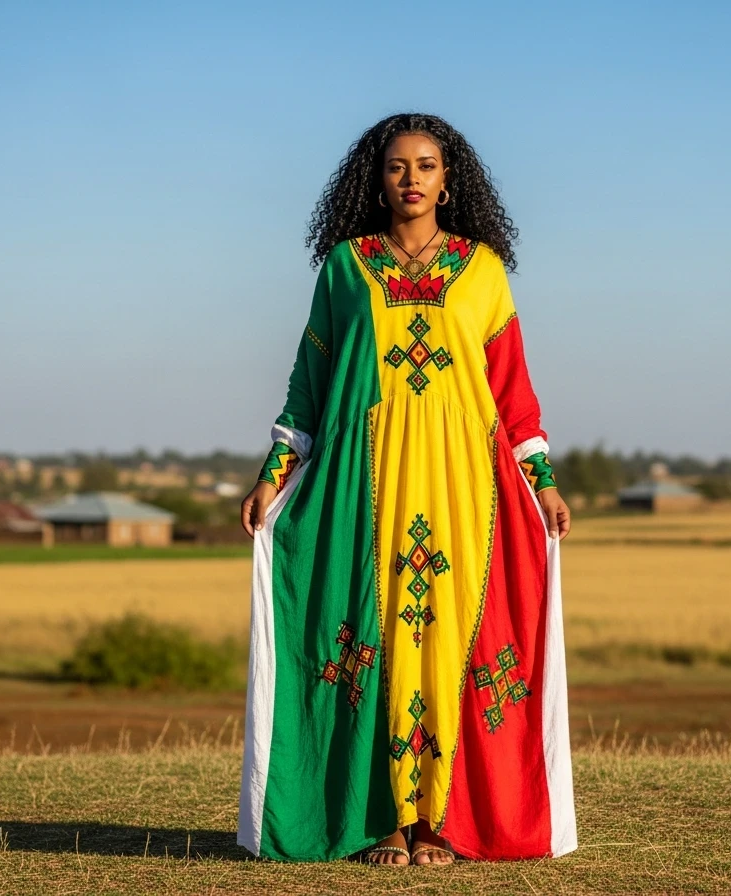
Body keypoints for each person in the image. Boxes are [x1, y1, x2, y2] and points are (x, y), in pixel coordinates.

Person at [237, 112, 576, 866]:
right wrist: (273, 476)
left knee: (451, 637)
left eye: (426, 165)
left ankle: (441, 823)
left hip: (465, 484)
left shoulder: (482, 270)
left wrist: (543, 482)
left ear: (449, 180)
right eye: (397, 166)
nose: (411, 177)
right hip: (367, 482)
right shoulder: (345, 267)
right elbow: (310, 385)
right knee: (380, 633)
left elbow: (513, 391)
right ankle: (388, 820)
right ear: (377, 178)